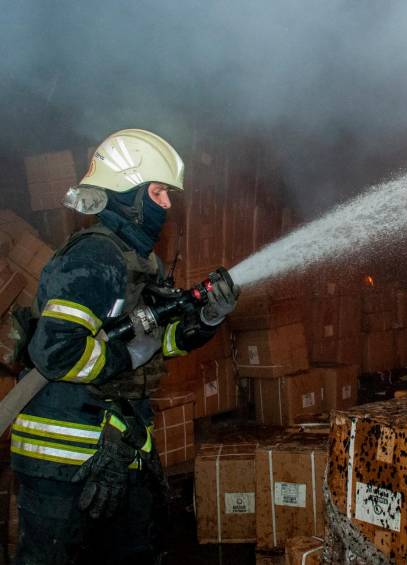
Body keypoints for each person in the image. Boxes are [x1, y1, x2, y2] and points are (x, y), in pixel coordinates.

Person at [9, 129, 239, 564]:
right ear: (127, 194)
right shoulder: (92, 257)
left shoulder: (142, 263)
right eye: (158, 192)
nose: (167, 205)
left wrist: (207, 318)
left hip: (117, 449)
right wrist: (123, 355)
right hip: (64, 459)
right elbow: (55, 352)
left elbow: (159, 342)